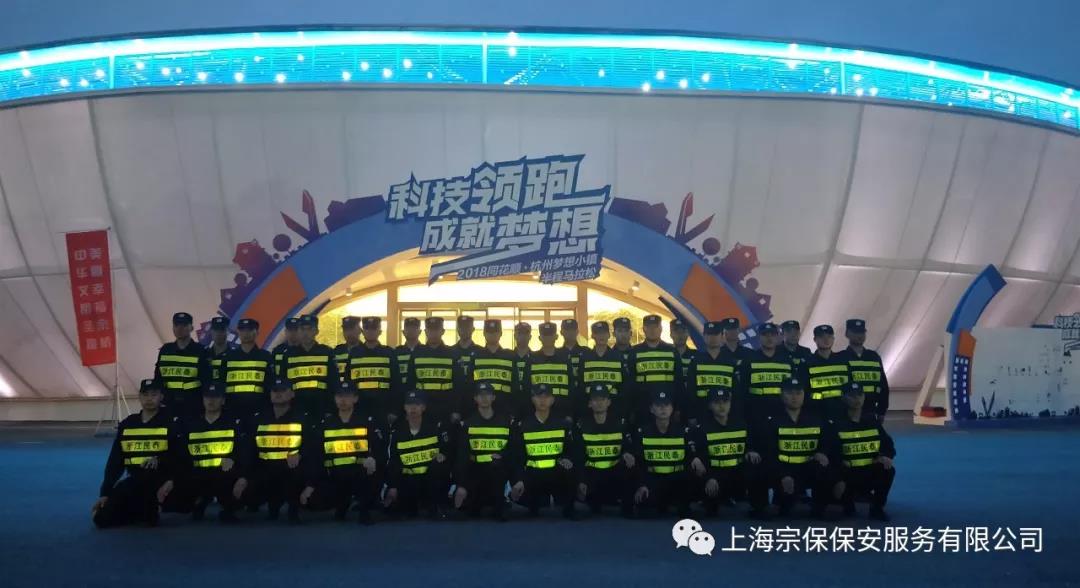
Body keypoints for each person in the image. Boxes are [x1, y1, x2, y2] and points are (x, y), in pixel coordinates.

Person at [92, 379, 178, 528]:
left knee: (149, 518)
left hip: (161, 480)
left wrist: (160, 460)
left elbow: (180, 455)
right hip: (134, 480)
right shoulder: (128, 424)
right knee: (101, 519)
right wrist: (105, 493)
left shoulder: (171, 423)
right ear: (139, 397)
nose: (149, 399)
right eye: (145, 395)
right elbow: (115, 462)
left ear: (161, 397)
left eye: (154, 395)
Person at [306, 380, 384, 524]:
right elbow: (316, 455)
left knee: (375, 473)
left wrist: (372, 458)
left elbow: (379, 447)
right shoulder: (326, 424)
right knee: (312, 501)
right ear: (334, 399)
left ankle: (364, 509)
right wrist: (311, 484)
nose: (343, 400)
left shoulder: (366, 421)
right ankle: (342, 503)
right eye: (339, 396)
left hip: (360, 473)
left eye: (347, 396)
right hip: (334, 475)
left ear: (355, 398)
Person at [755, 376, 833, 518]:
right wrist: (783, 474)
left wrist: (822, 453)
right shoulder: (771, 420)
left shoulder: (815, 418)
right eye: (790, 393)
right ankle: (771, 504)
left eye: (798, 393)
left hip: (807, 468)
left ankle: (820, 507)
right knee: (785, 508)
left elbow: (826, 442)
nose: (794, 397)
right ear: (782, 395)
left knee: (824, 466)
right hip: (782, 470)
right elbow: (769, 453)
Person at [169, 382, 247, 523]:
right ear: (203, 400)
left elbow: (242, 450)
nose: (211, 401)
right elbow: (182, 453)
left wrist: (233, 459)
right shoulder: (191, 424)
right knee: (176, 496)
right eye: (208, 397)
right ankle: (198, 502)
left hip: (224, 473)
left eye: (216, 397)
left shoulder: (233, 423)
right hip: (197, 472)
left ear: (223, 400)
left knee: (238, 487)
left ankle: (228, 508)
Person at [689, 387, 766, 519]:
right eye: (717, 402)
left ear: (730, 403)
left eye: (725, 402)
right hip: (715, 474)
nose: (721, 406)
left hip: (737, 473)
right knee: (711, 511)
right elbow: (701, 458)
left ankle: (758, 507)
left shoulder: (741, 424)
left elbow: (749, 446)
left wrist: (750, 452)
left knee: (757, 465)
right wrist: (709, 478)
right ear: (710, 405)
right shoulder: (702, 429)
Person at [247, 378, 312, 524]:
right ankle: (270, 507)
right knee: (247, 488)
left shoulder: (302, 418)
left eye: (283, 391)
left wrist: (300, 454)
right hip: (265, 466)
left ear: (292, 394)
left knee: (300, 470)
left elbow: (310, 444)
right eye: (275, 391)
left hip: (291, 467)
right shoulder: (259, 419)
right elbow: (250, 448)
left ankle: (293, 509)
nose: (278, 394)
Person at [511, 384, 580, 520]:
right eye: (539, 397)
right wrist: (519, 480)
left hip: (556, 474)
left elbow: (572, 450)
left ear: (552, 400)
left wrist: (567, 459)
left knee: (570, 469)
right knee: (522, 494)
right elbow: (518, 458)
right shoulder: (523, 426)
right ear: (532, 399)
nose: (542, 400)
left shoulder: (563, 424)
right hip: (533, 475)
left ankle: (569, 508)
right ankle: (534, 504)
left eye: (546, 397)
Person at [829, 381, 896, 521]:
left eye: (860, 395)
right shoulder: (836, 424)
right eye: (852, 396)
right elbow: (830, 452)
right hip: (845, 473)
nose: (857, 399)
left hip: (868, 470)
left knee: (888, 469)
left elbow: (888, 445)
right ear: (843, 398)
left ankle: (877, 508)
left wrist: (885, 456)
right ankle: (844, 500)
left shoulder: (872, 421)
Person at [454, 382, 517, 521]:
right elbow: (462, 457)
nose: (484, 398)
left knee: (498, 467)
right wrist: (461, 485)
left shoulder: (505, 422)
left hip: (498, 472)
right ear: (475, 399)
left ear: (493, 397)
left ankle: (499, 505)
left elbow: (513, 450)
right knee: (471, 511)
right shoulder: (468, 424)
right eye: (480, 395)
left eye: (487, 395)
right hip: (476, 472)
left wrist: (502, 456)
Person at [384, 390, 451, 520]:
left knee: (440, 467)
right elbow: (393, 461)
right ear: (404, 407)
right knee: (396, 510)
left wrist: (443, 455)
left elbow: (447, 450)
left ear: (423, 407)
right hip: (408, 480)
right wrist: (392, 486)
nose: (413, 408)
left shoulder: (435, 428)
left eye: (417, 404)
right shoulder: (397, 433)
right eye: (409, 405)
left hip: (430, 480)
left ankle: (435, 506)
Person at [628, 391, 691, 518]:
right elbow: (639, 463)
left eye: (666, 405)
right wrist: (641, 484)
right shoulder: (643, 433)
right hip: (652, 479)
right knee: (645, 505)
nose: (663, 408)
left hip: (675, 479)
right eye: (659, 405)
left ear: (672, 409)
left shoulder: (683, 432)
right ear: (652, 409)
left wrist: (696, 459)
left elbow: (689, 459)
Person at [575, 383, 633, 517]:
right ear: (590, 403)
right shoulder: (581, 426)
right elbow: (578, 456)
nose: (599, 403)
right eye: (595, 400)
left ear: (609, 402)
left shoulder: (620, 424)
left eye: (603, 399)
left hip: (613, 472)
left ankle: (627, 504)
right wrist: (581, 480)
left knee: (631, 464)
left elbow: (628, 446)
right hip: (592, 473)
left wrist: (627, 453)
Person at [346, 316, 400, 429]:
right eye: (367, 328)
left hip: (383, 410)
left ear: (380, 331)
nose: (370, 331)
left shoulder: (389, 353)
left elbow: (396, 384)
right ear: (362, 331)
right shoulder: (354, 354)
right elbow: (348, 382)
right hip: (359, 409)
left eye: (374, 328)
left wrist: (394, 410)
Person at [281, 314, 339, 418]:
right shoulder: (289, 355)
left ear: (316, 331)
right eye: (302, 329)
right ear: (298, 331)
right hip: (296, 408)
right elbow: (284, 383)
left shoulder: (326, 353)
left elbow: (334, 383)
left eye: (309, 329)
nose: (305, 333)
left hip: (321, 407)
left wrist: (331, 409)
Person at [628, 315, 683, 422]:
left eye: (655, 327)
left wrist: (678, 408)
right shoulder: (635, 352)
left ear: (661, 328)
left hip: (667, 406)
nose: (652, 330)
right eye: (649, 327)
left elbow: (679, 382)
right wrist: (632, 409)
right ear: (644, 329)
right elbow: (630, 383)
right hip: (642, 405)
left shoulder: (672, 351)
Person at [407, 317, 461, 425]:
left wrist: (456, 409)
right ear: (426, 331)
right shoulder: (417, 353)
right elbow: (410, 383)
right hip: (422, 409)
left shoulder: (452, 354)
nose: (433, 333)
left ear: (443, 331)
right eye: (430, 330)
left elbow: (458, 385)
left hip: (446, 408)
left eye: (436, 330)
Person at [153, 312, 209, 416]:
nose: (180, 328)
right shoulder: (165, 350)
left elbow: (206, 381)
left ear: (191, 328)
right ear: (173, 328)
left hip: (193, 405)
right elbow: (158, 378)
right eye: (176, 325)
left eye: (184, 325)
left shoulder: (200, 351)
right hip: (168, 404)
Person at [738, 322, 793, 423]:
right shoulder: (749, 361)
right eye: (765, 335)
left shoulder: (786, 360)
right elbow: (743, 390)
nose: (769, 338)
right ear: (759, 337)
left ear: (778, 337)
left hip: (782, 412)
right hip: (756, 412)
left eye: (772, 334)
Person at [219, 318, 274, 419]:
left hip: (259, 411)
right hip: (232, 411)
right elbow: (221, 385)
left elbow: (270, 386)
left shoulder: (266, 357)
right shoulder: (228, 357)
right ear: (238, 332)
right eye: (242, 330)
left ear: (257, 333)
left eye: (249, 330)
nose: (246, 333)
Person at [685, 321, 739, 423]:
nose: (712, 338)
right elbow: (690, 391)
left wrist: (736, 414)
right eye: (709, 334)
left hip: (725, 415)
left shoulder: (730, 362)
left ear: (722, 336)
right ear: (704, 336)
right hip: (701, 412)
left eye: (715, 334)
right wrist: (691, 415)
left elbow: (736, 392)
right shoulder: (696, 361)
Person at [836, 319, 891, 419]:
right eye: (856, 332)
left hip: (871, 411)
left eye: (862, 332)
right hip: (848, 412)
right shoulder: (840, 358)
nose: (859, 335)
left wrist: (882, 410)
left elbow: (883, 385)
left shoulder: (873, 357)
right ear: (847, 334)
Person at [524, 322, 578, 419]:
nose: (548, 338)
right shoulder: (532, 359)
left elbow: (571, 389)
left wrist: (570, 413)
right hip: (538, 413)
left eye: (550, 335)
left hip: (562, 412)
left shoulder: (565, 359)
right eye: (545, 335)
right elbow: (527, 389)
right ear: (540, 338)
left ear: (556, 337)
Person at [580, 321, 630, 420]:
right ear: (592, 336)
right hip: (591, 410)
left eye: (604, 333)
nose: (601, 336)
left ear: (609, 335)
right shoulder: (585, 357)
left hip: (615, 408)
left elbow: (624, 386)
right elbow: (581, 386)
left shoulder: (617, 357)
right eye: (598, 333)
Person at [472, 319, 521, 418]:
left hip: (505, 408)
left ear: (501, 333)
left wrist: (514, 410)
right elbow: (470, 384)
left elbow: (515, 385)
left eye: (495, 332)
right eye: (489, 332)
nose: (492, 335)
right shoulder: (476, 356)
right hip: (480, 410)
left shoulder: (510, 356)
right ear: (484, 333)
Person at [802, 324, 850, 418]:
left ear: (833, 339)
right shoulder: (807, 362)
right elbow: (805, 391)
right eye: (821, 337)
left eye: (829, 336)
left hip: (842, 410)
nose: (826, 340)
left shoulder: (842, 360)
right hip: (817, 411)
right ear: (815, 339)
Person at [333, 316, 364, 382]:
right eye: (346, 329)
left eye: (352, 329)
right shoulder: (336, 352)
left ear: (360, 330)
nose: (349, 333)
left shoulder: (367, 352)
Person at [452, 315, 480, 386]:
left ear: (473, 329)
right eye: (461, 327)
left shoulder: (480, 352)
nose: (464, 330)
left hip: (474, 392)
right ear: (457, 329)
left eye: (467, 327)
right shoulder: (450, 352)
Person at [394, 317, 422, 388]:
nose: (411, 330)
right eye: (408, 328)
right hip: (400, 392)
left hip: (421, 393)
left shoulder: (426, 352)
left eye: (414, 328)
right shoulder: (396, 352)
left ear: (420, 331)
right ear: (403, 332)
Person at [206, 316, 235, 382]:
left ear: (228, 332)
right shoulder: (204, 354)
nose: (218, 333)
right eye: (216, 330)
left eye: (222, 330)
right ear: (211, 331)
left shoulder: (235, 356)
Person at [512, 322, 533, 397]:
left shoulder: (536, 359)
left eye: (526, 333)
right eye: (520, 333)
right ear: (515, 336)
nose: (523, 336)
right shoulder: (508, 357)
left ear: (530, 336)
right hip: (510, 399)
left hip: (530, 399)